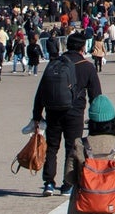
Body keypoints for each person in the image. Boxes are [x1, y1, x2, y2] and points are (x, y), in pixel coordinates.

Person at [30, 33, 103, 196]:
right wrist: (95, 118)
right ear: (83, 47)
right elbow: (96, 96)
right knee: (72, 148)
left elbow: (41, 91)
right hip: (75, 112)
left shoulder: (55, 63)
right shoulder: (87, 66)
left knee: (52, 147)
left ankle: (48, 182)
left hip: (53, 111)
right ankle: (67, 184)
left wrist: (37, 115)